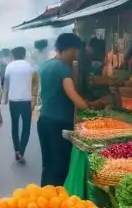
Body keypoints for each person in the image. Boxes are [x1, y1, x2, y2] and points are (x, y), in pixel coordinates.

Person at [37, 32, 101, 187]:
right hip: (58, 124)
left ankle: (44, 196)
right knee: (59, 166)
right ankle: (56, 200)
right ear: (71, 49)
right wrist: (90, 108)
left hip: (44, 120)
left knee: (48, 164)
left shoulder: (46, 65)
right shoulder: (62, 69)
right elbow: (74, 96)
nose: (76, 56)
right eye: (76, 51)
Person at [3, 46, 37, 164]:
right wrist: (34, 101)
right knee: (26, 127)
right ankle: (21, 151)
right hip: (26, 100)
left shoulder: (9, 67)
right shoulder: (30, 67)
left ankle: (16, 149)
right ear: (24, 54)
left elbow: (6, 84)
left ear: (13, 54)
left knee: (15, 126)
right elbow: (34, 85)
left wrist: (5, 99)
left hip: (13, 100)